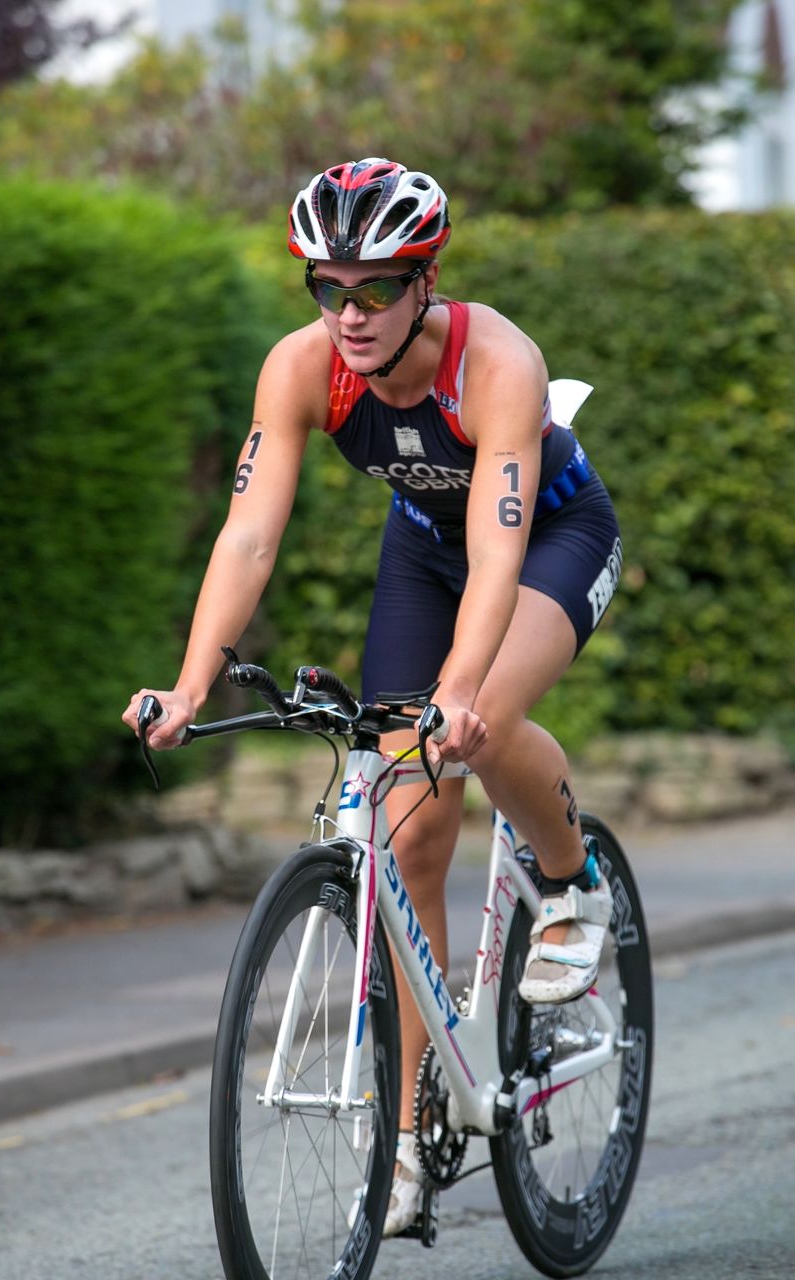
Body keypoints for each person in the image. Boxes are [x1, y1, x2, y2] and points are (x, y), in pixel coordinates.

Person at [122, 157, 621, 1237]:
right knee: (405, 835)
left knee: (476, 729)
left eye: (374, 289)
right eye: (326, 287)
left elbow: (499, 555)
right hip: (423, 550)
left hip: (547, 542)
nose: (347, 313)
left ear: (423, 284)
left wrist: (454, 691)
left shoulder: (498, 364)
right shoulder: (303, 368)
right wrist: (192, 676)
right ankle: (402, 1135)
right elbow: (249, 532)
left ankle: (572, 883)